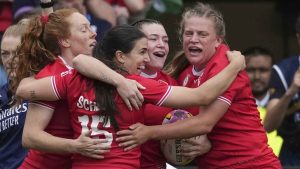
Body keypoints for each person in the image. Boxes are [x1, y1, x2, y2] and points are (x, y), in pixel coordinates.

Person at [16, 25, 245, 169]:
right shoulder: (139, 86)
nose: (146, 59)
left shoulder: (72, 79)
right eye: (141, 52)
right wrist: (235, 65)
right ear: (120, 57)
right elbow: (202, 95)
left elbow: (25, 90)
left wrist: (75, 146)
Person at [116, 3, 281, 169]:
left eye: (202, 34)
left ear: (218, 40)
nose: (194, 39)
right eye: (189, 33)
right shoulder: (183, 71)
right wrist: (204, 145)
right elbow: (183, 122)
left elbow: (204, 124)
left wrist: (148, 132)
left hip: (252, 164)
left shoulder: (226, 66)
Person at [13, 2, 144, 168]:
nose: (93, 34)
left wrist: (121, 82)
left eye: (91, 27)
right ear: (65, 41)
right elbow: (30, 137)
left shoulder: (92, 69)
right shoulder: (51, 75)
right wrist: (75, 146)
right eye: (84, 30)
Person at [130, 19, 211, 169]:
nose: (162, 44)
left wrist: (207, 144)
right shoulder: (117, 78)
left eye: (165, 40)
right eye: (153, 39)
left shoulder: (172, 84)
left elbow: (198, 123)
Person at [265, 15, 300, 166]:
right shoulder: (283, 70)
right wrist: (291, 91)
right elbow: (269, 125)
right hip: (294, 155)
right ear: (299, 38)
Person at [243, 46, 283, 156]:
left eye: (263, 70)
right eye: (250, 70)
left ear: (273, 71)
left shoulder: (285, 103)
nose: (257, 76)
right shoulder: (230, 104)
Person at [0, 19, 29, 169]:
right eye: (5, 54)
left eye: (18, 53)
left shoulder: (46, 88)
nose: (10, 60)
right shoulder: (1, 96)